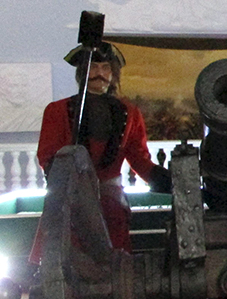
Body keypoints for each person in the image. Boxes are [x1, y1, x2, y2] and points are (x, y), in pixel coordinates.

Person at [30, 41, 170, 259]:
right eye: (93, 67)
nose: (100, 73)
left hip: (111, 208)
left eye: (106, 68)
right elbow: (48, 157)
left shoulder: (130, 113)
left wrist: (169, 180)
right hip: (69, 204)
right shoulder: (57, 111)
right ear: (82, 71)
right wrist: (71, 188)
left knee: (116, 267)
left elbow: (139, 160)